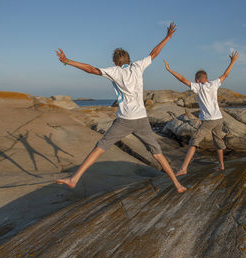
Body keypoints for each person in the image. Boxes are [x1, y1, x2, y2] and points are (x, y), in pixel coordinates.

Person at [55, 22, 187, 193]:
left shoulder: (114, 72)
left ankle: (74, 178)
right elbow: (154, 53)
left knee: (100, 147)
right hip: (141, 119)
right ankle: (177, 184)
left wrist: (68, 61)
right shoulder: (138, 66)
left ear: (115, 62)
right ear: (128, 59)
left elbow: (90, 69)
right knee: (157, 152)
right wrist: (168, 37)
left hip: (124, 121)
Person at [163, 51, 239, 174]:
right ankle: (221, 165)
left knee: (194, 141)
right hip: (219, 118)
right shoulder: (214, 84)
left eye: (195, 80)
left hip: (208, 120)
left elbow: (182, 79)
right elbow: (226, 75)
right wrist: (233, 61)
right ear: (206, 78)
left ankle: (183, 168)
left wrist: (169, 69)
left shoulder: (198, 87)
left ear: (198, 80)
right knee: (218, 141)